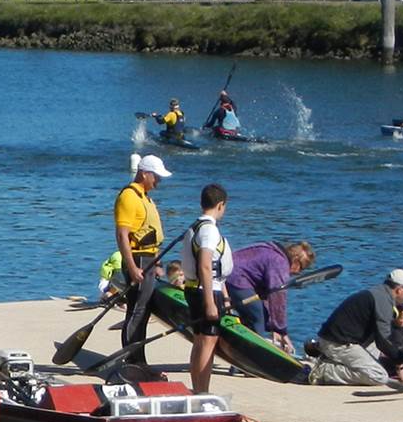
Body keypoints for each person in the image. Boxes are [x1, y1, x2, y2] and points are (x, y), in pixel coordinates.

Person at [307, 269, 403, 386]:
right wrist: (400, 363)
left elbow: (380, 339)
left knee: (378, 345)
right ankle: (323, 371)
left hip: (337, 339)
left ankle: (328, 359)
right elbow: (383, 341)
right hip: (337, 344)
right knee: (379, 376)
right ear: (399, 290)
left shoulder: (378, 293)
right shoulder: (383, 301)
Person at [114, 154, 173, 368]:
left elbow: (150, 234)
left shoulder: (145, 197)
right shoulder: (129, 197)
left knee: (144, 310)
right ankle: (132, 361)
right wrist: (132, 267)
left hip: (147, 260)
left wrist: (156, 263)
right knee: (137, 310)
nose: (159, 181)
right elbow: (122, 235)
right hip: (138, 260)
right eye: (156, 176)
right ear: (144, 173)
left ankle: (139, 360)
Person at [181, 183, 232, 393]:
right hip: (206, 292)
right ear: (220, 205)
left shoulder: (195, 226)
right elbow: (205, 265)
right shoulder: (209, 230)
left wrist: (225, 297)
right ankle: (202, 391)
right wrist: (211, 303)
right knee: (207, 343)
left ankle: (199, 390)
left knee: (200, 342)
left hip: (197, 289)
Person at [223, 238, 314, 351]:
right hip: (236, 279)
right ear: (295, 260)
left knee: (261, 314)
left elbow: (267, 295)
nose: (298, 272)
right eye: (301, 267)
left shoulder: (271, 250)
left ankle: (237, 341)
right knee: (258, 317)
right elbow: (277, 296)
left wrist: (272, 326)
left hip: (228, 273)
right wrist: (281, 330)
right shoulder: (280, 262)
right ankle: (253, 352)